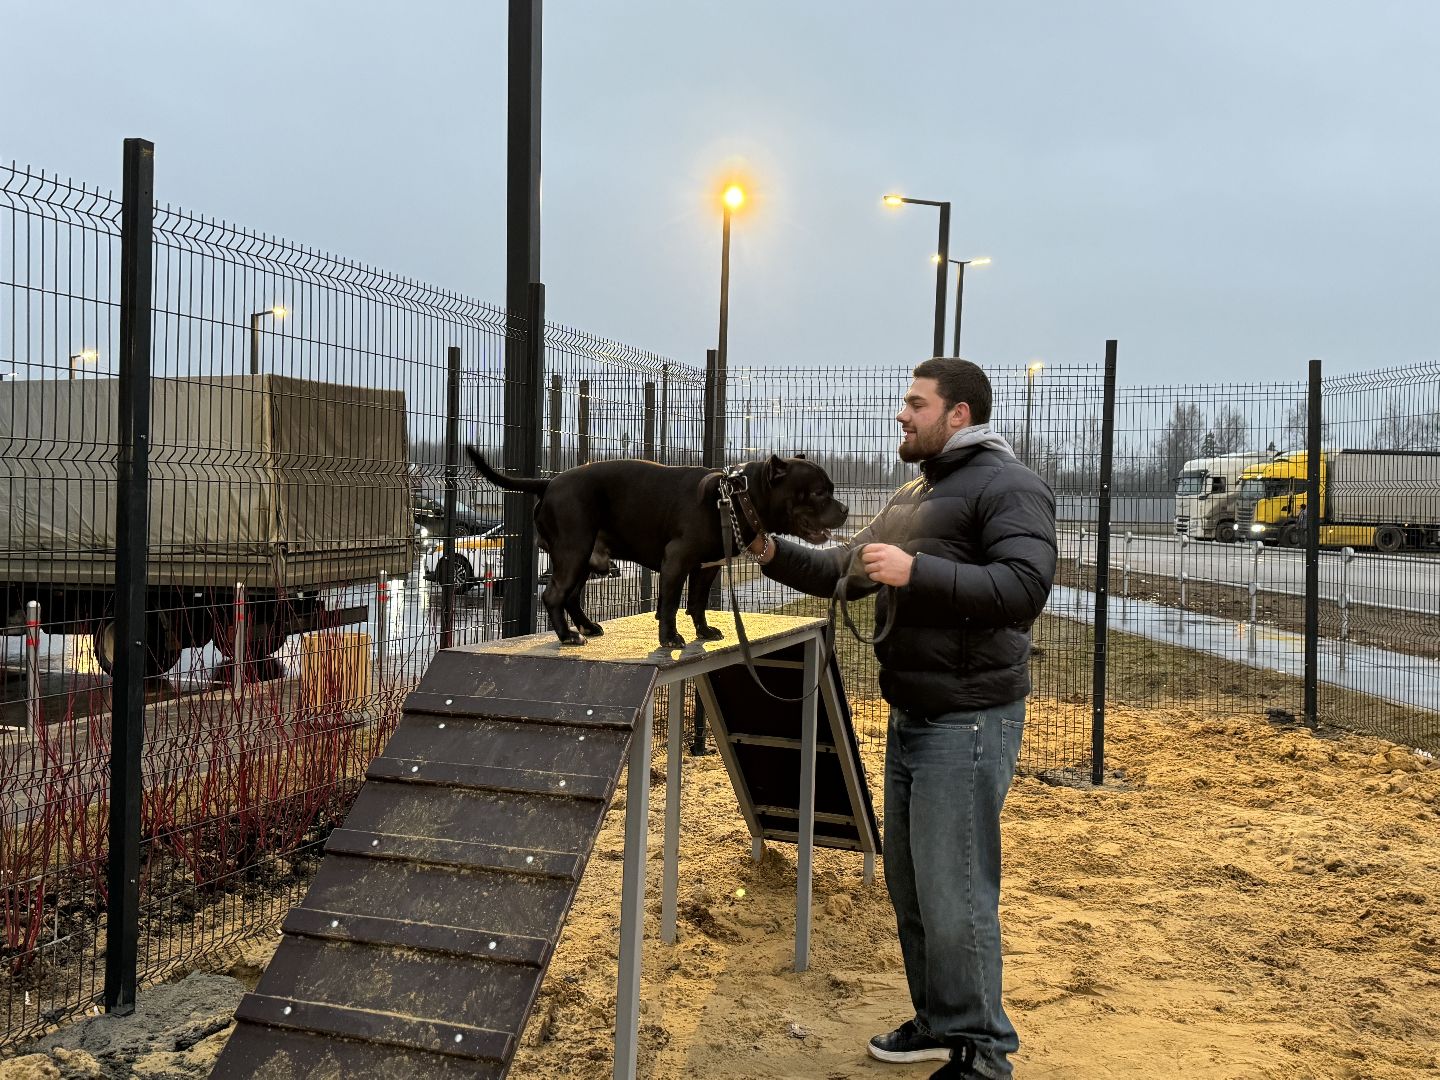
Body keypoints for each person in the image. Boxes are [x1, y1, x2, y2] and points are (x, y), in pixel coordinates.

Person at [746, 357, 1056, 1079]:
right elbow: (841, 570)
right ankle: (940, 1022)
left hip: (969, 720)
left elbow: (1023, 587)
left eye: (915, 403)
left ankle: (983, 1055)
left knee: (957, 892)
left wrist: (916, 573)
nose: (900, 414)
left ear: (959, 415)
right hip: (915, 714)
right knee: (913, 887)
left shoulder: (1009, 486)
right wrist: (763, 548)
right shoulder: (918, 491)